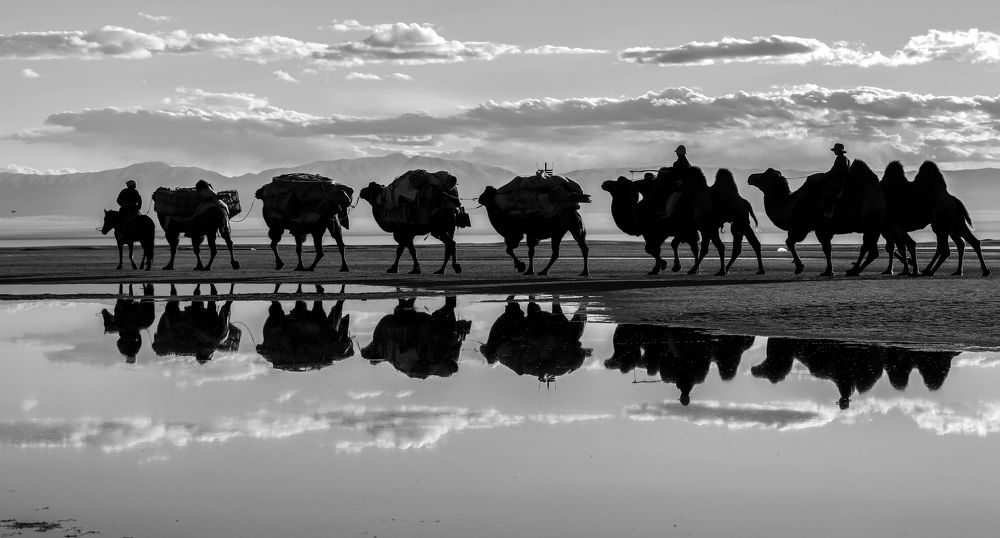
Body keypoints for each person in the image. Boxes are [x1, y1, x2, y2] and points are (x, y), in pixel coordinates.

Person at [820, 143, 851, 219]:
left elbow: (834, 170)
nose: (835, 152)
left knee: (827, 192)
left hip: (839, 181)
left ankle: (828, 210)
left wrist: (825, 175)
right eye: (835, 150)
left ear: (840, 151)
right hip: (843, 180)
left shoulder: (840, 158)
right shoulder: (846, 159)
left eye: (836, 150)